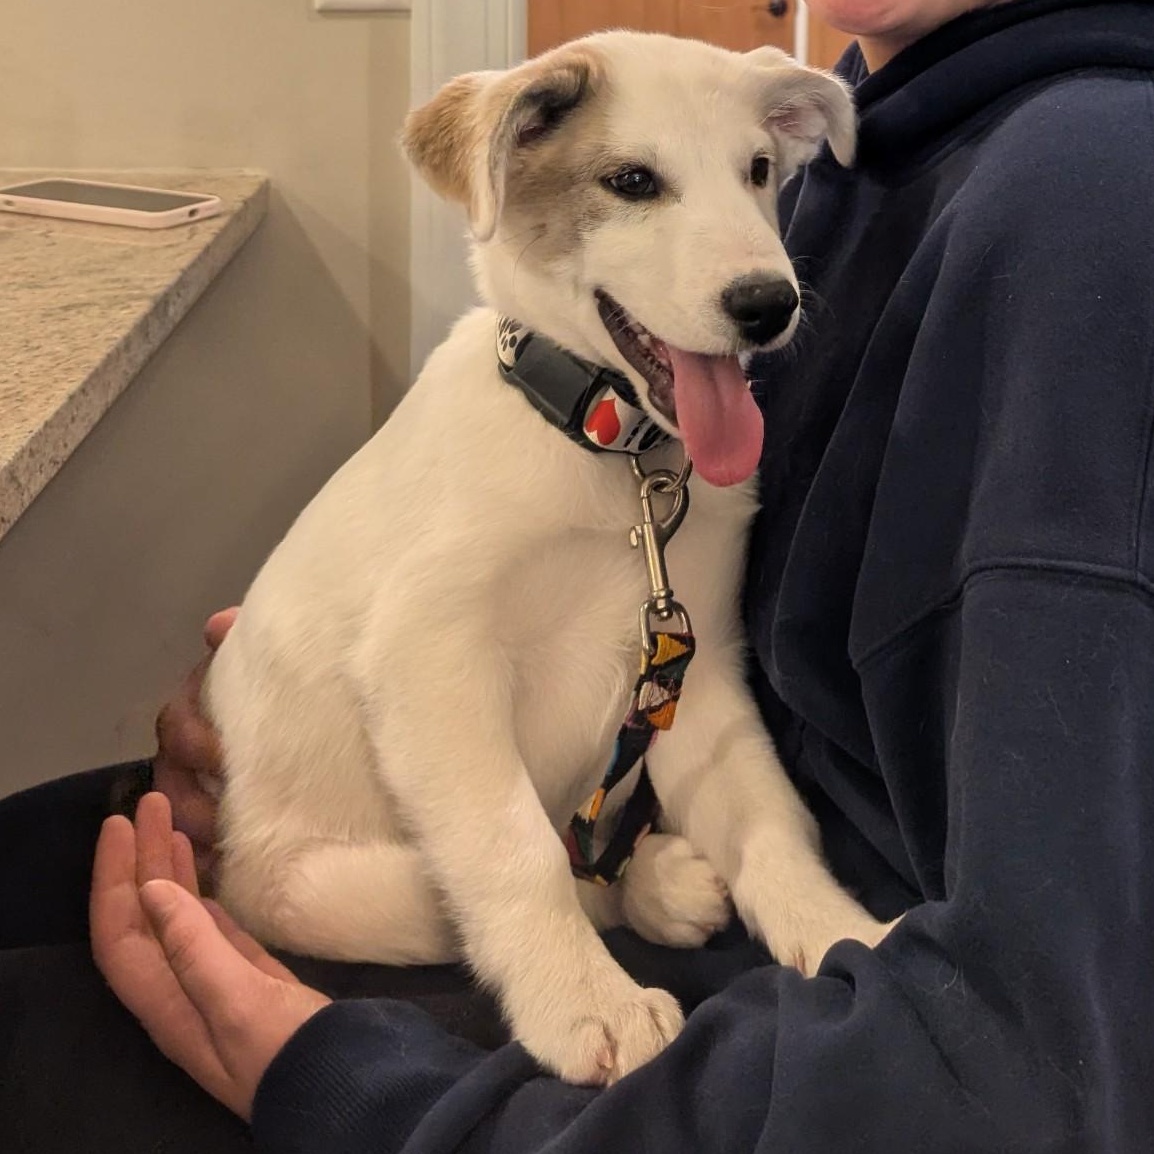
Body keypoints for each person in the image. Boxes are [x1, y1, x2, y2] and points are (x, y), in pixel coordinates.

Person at [6, 0, 1154, 1148]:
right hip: (406, 834)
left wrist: (419, 1070)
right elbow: (602, 680)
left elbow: (1042, 1033)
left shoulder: (1078, 190)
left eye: (758, 172)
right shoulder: (854, 171)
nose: (756, 260)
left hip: (711, 1032)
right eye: (639, 184)